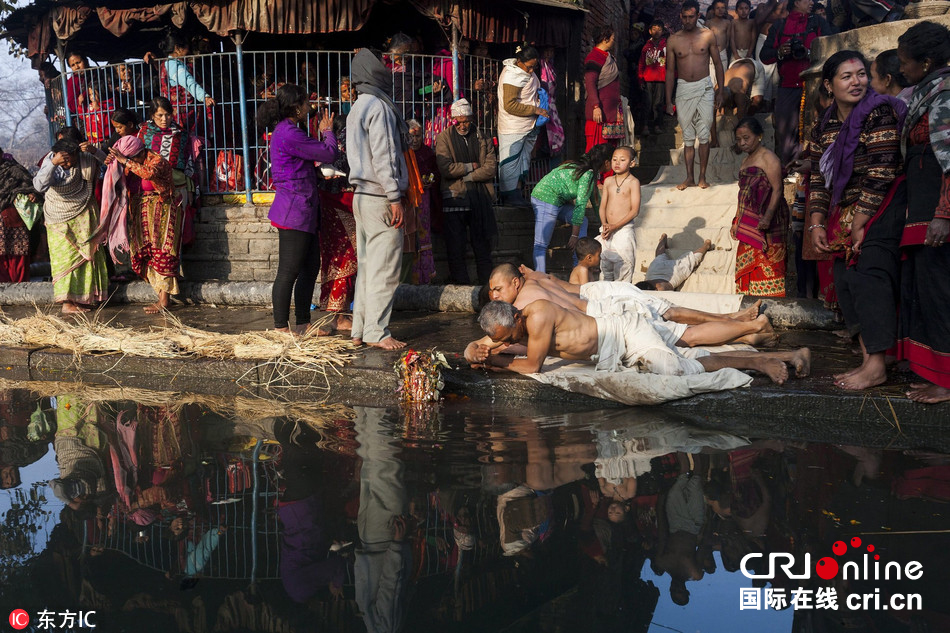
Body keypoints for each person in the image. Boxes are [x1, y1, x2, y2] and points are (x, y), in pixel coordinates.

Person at [807, 50, 907, 391]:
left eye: (862, 74)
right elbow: (820, 177)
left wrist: (861, 222)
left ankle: (878, 364)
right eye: (847, 76)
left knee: (869, 276)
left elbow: (882, 169)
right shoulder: (826, 124)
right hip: (847, 210)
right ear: (829, 85)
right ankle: (870, 358)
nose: (857, 81)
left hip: (882, 204)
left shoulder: (880, 112)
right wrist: (817, 222)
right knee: (844, 281)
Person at [472, 263, 775, 361]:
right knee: (672, 314)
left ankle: (747, 328)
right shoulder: (535, 280)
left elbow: (499, 343)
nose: (495, 297)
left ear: (514, 282)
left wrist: (484, 354)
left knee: (684, 335)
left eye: (497, 291)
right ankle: (738, 323)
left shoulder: (523, 309)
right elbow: (558, 282)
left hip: (608, 311)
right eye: (492, 294)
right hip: (605, 299)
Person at [470, 299, 810, 384]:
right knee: (694, 349)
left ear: (516, 317)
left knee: (679, 369)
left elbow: (532, 366)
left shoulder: (537, 316)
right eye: (501, 340)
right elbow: (474, 347)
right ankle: (793, 353)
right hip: (622, 332)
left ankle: (758, 362)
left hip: (625, 335)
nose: (507, 341)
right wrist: (476, 350)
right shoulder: (507, 325)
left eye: (509, 336)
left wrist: (492, 360)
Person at [896, 22, 950, 404]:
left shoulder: (945, 93)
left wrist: (944, 214)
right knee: (927, 292)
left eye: (906, 63)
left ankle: (947, 382)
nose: (902, 70)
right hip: (921, 210)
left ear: (926, 62)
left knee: (941, 293)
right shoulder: (930, 90)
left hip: (937, 211)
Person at [257, 84, 337, 334]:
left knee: (310, 267)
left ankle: (303, 323)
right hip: (294, 209)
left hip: (304, 207)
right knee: (289, 271)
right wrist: (328, 132)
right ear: (296, 108)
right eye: (305, 103)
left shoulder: (289, 130)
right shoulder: (289, 132)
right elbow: (328, 152)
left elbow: (296, 165)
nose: (308, 107)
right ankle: (281, 327)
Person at [347, 48, 409, 350]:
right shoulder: (380, 107)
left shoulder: (358, 106)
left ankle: (359, 330)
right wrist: (395, 196)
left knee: (368, 268)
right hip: (380, 195)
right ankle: (377, 332)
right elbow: (385, 156)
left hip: (362, 196)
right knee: (384, 269)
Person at [104, 135, 179, 313]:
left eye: (134, 158)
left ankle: (164, 300)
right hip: (139, 211)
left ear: (140, 153)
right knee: (143, 253)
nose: (131, 162)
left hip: (162, 210)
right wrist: (112, 161)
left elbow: (148, 173)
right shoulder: (130, 163)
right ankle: (160, 295)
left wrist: (126, 161)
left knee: (162, 252)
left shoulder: (157, 160)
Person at [32, 139, 108, 314]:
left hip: (82, 213)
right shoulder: (50, 161)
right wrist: (53, 163)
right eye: (63, 160)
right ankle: (67, 303)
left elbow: (109, 164)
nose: (67, 164)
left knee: (87, 258)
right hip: (57, 218)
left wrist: (94, 151)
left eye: (70, 159)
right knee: (64, 261)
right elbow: (39, 185)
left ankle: (85, 299)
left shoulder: (85, 158)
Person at [759, 0, 834, 166]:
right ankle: (792, 169)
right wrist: (779, 52)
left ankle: (818, 167)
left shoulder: (818, 22)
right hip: (788, 86)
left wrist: (810, 53)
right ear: (797, 1)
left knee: (820, 127)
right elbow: (764, 56)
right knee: (785, 133)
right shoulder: (780, 26)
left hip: (817, 86)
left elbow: (830, 49)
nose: (812, 2)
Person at [434, 98, 498, 285]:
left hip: (480, 198)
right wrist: (471, 166)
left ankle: (487, 285)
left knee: (482, 246)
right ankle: (462, 286)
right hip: (456, 197)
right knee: (456, 246)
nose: (462, 125)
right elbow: (445, 168)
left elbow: (490, 168)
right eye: (458, 122)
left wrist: (468, 176)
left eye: (466, 121)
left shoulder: (483, 138)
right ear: (452, 120)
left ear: (471, 118)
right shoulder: (444, 138)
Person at [665, 0, 724, 190]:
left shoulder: (707, 36)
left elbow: (718, 63)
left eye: (692, 16)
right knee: (688, 137)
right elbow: (669, 71)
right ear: (680, 16)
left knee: (704, 134)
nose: (688, 20)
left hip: (705, 87)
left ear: (698, 16)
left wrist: (720, 90)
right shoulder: (673, 39)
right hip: (683, 88)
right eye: (685, 17)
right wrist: (668, 100)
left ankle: (702, 177)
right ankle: (689, 177)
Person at [530, 144, 613, 273]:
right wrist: (574, 235)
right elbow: (580, 206)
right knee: (541, 244)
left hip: (559, 203)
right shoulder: (587, 174)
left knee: (583, 221)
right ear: (606, 162)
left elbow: (596, 203)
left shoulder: (587, 171)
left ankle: (579, 266)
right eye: (613, 160)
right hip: (545, 198)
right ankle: (540, 277)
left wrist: (605, 224)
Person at [731, 117, 788, 297]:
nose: (742, 143)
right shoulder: (745, 161)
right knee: (747, 264)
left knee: (769, 264)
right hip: (748, 222)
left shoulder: (768, 157)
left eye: (746, 138)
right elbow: (743, 195)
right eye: (739, 140)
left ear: (759, 136)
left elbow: (778, 189)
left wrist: (767, 217)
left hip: (769, 222)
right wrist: (736, 221)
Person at [317, 113, 357, 333]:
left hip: (331, 204)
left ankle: (338, 314)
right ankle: (338, 316)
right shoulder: (343, 144)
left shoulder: (327, 145)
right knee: (346, 259)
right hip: (342, 204)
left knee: (336, 260)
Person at [497, 45, 547, 206]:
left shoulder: (524, 73)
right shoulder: (512, 75)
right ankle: (509, 196)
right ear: (519, 62)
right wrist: (535, 109)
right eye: (529, 66)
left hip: (528, 125)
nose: (532, 70)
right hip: (513, 126)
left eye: (535, 67)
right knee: (510, 161)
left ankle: (518, 193)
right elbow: (510, 105)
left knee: (523, 159)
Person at [144, 30, 215, 134]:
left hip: (178, 112)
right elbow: (188, 82)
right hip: (183, 114)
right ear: (177, 48)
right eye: (187, 47)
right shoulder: (174, 65)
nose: (188, 50)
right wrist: (204, 97)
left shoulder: (167, 64)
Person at [138, 97, 195, 226]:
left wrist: (190, 190)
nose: (164, 119)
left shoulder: (181, 134)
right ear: (152, 115)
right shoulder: (143, 134)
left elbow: (188, 162)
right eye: (160, 115)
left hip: (178, 188)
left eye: (168, 115)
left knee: (175, 228)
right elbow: (137, 162)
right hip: (151, 191)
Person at [597, 146, 641, 282]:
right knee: (605, 266)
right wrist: (604, 224)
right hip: (607, 229)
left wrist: (615, 226)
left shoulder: (633, 182)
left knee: (624, 265)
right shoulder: (609, 181)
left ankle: (622, 296)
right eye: (614, 159)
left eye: (622, 160)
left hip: (623, 230)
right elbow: (602, 205)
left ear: (632, 163)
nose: (617, 163)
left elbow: (635, 210)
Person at [402, 120, 436, 284]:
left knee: (423, 235)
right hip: (407, 200)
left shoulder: (427, 152)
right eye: (411, 136)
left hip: (424, 200)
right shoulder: (402, 153)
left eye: (418, 136)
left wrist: (429, 181)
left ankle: (425, 276)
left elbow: (435, 173)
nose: (415, 140)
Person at [0, 151, 40, 283]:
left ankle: (20, 295)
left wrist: (32, 194)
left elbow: (33, 187)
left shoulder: (15, 170)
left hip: (14, 221)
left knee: (18, 257)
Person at [584, 26, 625, 152]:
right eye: (612, 38)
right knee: (597, 152)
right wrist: (596, 106)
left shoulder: (609, 57)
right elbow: (590, 83)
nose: (614, 41)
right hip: (599, 113)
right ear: (605, 39)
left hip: (611, 113)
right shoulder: (594, 57)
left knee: (610, 152)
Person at [637, 234, 712, 291]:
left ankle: (706, 246)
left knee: (692, 259)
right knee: (659, 256)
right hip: (655, 271)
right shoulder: (644, 287)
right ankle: (662, 240)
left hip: (672, 273)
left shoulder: (661, 289)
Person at [639, 21, 669, 136]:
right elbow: (641, 64)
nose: (657, 31)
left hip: (661, 79)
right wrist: (640, 79)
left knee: (658, 103)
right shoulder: (646, 47)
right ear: (650, 31)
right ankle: (645, 126)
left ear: (663, 32)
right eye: (654, 29)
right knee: (647, 103)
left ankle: (657, 125)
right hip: (647, 79)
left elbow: (669, 63)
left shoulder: (665, 46)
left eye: (659, 29)